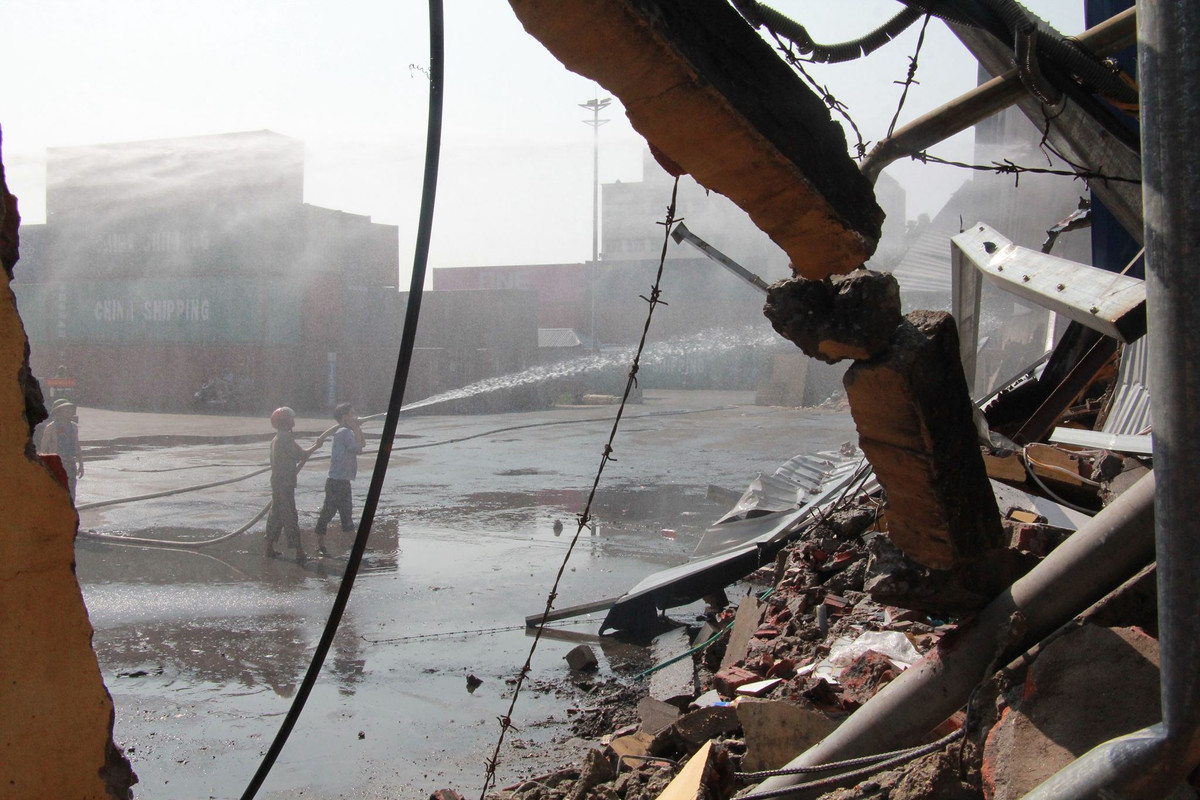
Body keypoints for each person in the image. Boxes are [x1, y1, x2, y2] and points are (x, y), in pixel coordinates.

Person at [265, 406, 325, 563]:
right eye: (291, 418)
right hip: (284, 484)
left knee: (276, 515)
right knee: (290, 516)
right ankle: (299, 552)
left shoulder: (277, 438)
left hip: (278, 483)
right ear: (286, 422)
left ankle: (269, 548)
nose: (294, 420)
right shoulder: (285, 438)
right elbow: (301, 454)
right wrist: (316, 446)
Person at [314, 402, 366, 557]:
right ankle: (320, 545)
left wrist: (357, 428)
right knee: (328, 513)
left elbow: (362, 444)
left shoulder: (346, 432)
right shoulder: (344, 433)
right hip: (337, 482)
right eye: (352, 414)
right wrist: (356, 428)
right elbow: (359, 448)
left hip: (342, 481)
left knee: (346, 512)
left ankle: (354, 544)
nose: (355, 417)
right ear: (344, 417)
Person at [39, 398, 83, 499]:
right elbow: (44, 449)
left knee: (71, 491)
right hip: (57, 464)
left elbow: (77, 446)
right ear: (58, 412)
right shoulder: (51, 428)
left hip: (70, 464)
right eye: (66, 410)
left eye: (70, 409)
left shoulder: (73, 427)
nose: (69, 412)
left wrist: (81, 464)